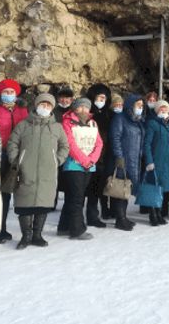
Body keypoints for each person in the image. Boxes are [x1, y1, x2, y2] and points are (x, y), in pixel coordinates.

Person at [7, 93, 69, 249]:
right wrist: (16, 160)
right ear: (36, 105)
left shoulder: (57, 127)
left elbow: (64, 146)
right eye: (42, 104)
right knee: (24, 204)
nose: (45, 107)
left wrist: (57, 160)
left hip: (47, 171)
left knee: (43, 204)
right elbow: (13, 143)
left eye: (48, 105)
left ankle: (37, 235)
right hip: (25, 170)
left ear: (52, 108)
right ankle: (26, 236)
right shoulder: (23, 125)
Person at [0, 78, 28, 244]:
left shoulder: (22, 109)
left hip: (13, 154)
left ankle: (1, 227)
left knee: (7, 192)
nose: (9, 94)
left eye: (12, 92)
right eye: (5, 92)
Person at [57, 98, 103, 240]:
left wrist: (92, 160)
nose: (84, 110)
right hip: (73, 165)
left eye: (86, 107)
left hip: (89, 166)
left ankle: (64, 226)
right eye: (80, 107)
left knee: (73, 197)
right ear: (75, 108)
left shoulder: (92, 123)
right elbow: (70, 144)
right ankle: (77, 230)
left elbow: (99, 143)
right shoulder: (67, 123)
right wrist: (84, 160)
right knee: (77, 198)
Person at [108, 94, 146, 231]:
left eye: (142, 106)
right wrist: (119, 156)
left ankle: (123, 216)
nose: (140, 108)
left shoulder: (138, 120)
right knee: (120, 188)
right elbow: (115, 138)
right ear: (130, 105)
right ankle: (120, 219)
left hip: (135, 160)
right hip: (123, 160)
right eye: (138, 105)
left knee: (126, 189)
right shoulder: (120, 118)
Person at [143, 100, 169, 226]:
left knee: (162, 189)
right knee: (153, 188)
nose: (163, 110)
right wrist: (149, 161)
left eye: (165, 108)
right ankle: (153, 214)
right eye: (161, 108)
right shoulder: (152, 123)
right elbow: (147, 144)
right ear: (156, 110)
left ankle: (159, 213)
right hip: (155, 161)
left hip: (167, 162)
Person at [85, 83, 113, 223]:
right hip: (92, 155)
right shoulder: (88, 113)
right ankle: (92, 215)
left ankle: (105, 210)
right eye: (99, 98)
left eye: (104, 98)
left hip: (106, 154)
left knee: (103, 184)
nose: (101, 101)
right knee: (93, 187)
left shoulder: (108, 113)